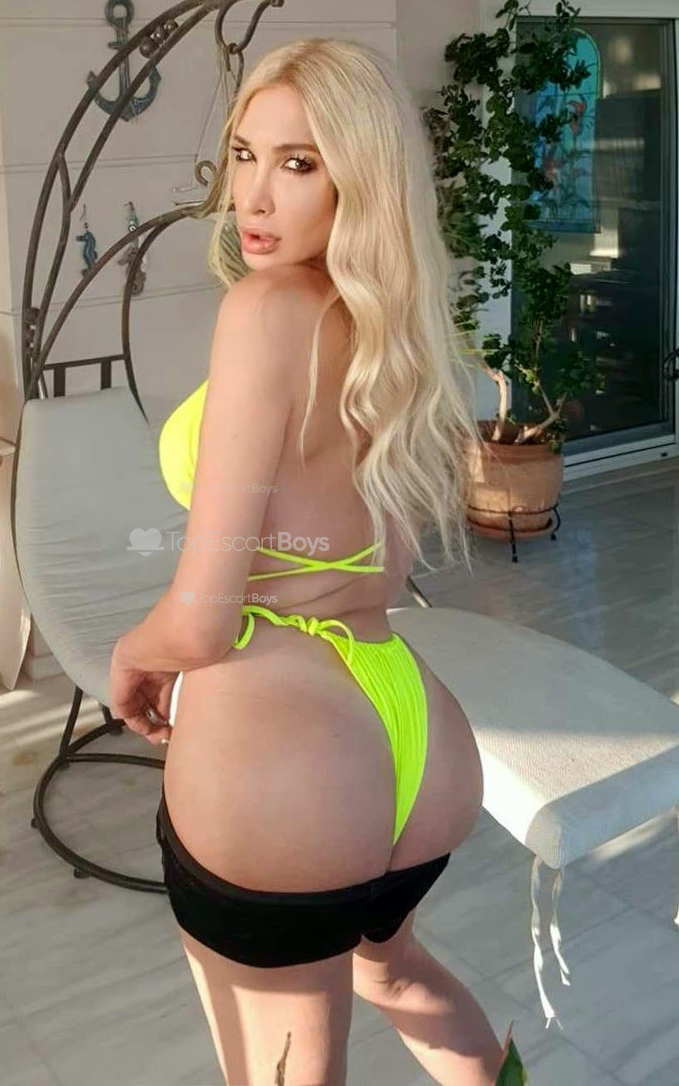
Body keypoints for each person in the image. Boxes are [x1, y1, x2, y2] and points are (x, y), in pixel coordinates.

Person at [109, 38, 528, 1086]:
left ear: (361, 177)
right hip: (417, 737)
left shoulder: (264, 312)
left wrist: (136, 648)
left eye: (298, 164)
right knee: (398, 975)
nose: (252, 196)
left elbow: (203, 615)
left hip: (287, 764)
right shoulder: (393, 327)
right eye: (244, 155)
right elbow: (370, 563)